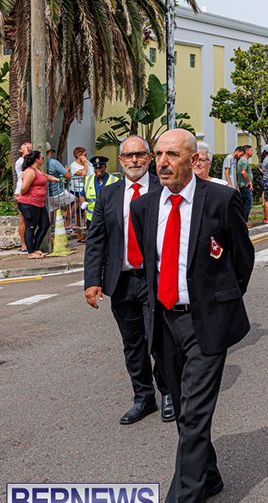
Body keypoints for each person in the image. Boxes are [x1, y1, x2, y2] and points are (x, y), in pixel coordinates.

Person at [130, 129, 255, 503]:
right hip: (165, 323)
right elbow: (151, 265)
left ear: (192, 159)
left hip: (206, 323)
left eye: (172, 155)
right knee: (184, 411)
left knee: (196, 417)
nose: (162, 162)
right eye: (158, 154)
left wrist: (220, 302)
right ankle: (210, 476)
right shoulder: (144, 208)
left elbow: (242, 260)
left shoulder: (220, 200)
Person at [83, 135, 172, 425]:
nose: (134, 160)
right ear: (121, 160)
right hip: (121, 281)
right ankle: (143, 398)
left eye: (140, 155)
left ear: (149, 158)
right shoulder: (109, 194)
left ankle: (169, 393)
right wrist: (91, 281)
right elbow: (97, 239)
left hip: (155, 279)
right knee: (132, 343)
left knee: (158, 339)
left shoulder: (165, 189)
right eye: (128, 156)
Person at [17, 151, 59, 258]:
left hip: (39, 203)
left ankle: (36, 248)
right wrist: (20, 194)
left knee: (45, 225)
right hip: (29, 203)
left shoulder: (38, 170)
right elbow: (25, 187)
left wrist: (56, 179)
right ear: (37, 160)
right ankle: (31, 252)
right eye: (42, 158)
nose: (43, 159)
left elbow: (46, 176)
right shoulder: (30, 171)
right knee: (30, 227)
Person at [78, 155, 119, 230]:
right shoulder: (88, 180)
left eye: (100, 167)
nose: (98, 170)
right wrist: (83, 202)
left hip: (109, 218)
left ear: (105, 167)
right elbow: (82, 195)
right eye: (96, 168)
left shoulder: (114, 180)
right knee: (92, 240)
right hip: (92, 218)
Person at [46, 142, 74, 228]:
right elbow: (68, 176)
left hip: (47, 195)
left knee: (49, 218)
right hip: (57, 193)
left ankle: (49, 238)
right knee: (75, 200)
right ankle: (68, 220)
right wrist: (67, 170)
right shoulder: (53, 163)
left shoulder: (38, 162)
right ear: (50, 150)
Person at [14, 142, 32, 251]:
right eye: (28, 150)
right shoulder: (20, 161)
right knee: (23, 219)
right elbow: (27, 165)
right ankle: (24, 243)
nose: (30, 152)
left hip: (30, 191)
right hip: (21, 191)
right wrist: (25, 153)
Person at [236, 145, 254, 225]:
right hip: (245, 185)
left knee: (245, 203)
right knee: (249, 203)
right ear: (247, 151)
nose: (252, 152)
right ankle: (245, 220)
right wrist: (249, 181)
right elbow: (243, 172)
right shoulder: (244, 161)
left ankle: (242, 220)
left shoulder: (243, 160)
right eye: (251, 151)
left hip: (243, 185)